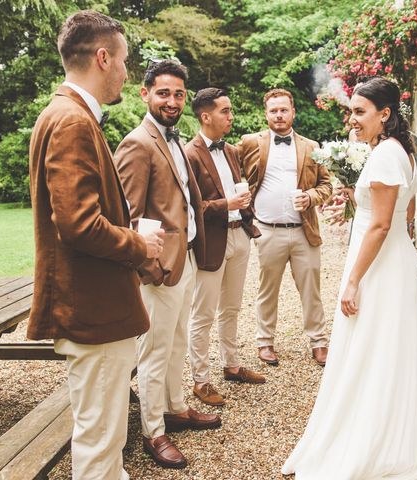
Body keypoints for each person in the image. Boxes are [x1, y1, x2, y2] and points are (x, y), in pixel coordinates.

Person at [281, 77, 417, 479]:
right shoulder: (401, 150)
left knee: (373, 346)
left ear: (384, 114)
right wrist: (357, 201)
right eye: (351, 111)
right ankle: (392, 429)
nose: (352, 120)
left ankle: (376, 440)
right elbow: (401, 211)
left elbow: (383, 225)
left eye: (359, 112)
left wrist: (352, 280)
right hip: (392, 261)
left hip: (380, 265)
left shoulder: (386, 154)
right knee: (386, 346)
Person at [28, 11, 164, 480]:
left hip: (94, 307)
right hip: (95, 310)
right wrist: (139, 242)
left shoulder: (65, 113)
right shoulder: (71, 121)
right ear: (103, 58)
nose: (127, 71)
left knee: (103, 438)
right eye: (124, 60)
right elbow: (79, 224)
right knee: (101, 445)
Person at [113, 60, 220, 470]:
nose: (172, 101)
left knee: (176, 343)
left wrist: (187, 255)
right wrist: (151, 268)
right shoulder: (138, 143)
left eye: (178, 94)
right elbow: (130, 214)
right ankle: (153, 431)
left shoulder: (174, 139)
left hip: (186, 257)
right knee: (155, 352)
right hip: (160, 267)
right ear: (145, 94)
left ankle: (175, 407)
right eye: (163, 93)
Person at [238, 89, 332, 366]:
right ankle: (264, 342)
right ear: (265, 114)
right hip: (267, 230)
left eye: (283, 110)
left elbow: (326, 185)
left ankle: (319, 341)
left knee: (311, 288)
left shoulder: (312, 147)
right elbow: (230, 171)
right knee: (267, 288)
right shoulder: (249, 143)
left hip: (304, 230)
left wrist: (311, 197)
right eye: (273, 110)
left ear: (293, 112)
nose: (279, 115)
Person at [184, 88, 265, 407]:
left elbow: (235, 189)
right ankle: (201, 381)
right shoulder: (188, 154)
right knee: (202, 314)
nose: (231, 117)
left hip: (239, 237)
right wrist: (225, 204)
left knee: (231, 308)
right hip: (211, 241)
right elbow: (189, 206)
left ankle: (231, 365)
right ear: (206, 117)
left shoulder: (231, 150)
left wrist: (243, 207)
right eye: (225, 111)